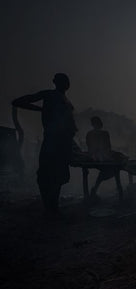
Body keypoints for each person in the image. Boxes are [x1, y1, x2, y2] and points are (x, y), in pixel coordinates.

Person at [12, 73, 77, 214]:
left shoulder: (67, 102)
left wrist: (73, 142)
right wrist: (40, 109)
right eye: (63, 81)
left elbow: (71, 125)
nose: (66, 83)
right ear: (56, 82)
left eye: (67, 81)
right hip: (52, 141)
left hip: (64, 143)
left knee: (59, 175)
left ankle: (53, 206)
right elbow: (18, 102)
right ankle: (49, 206)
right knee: (45, 175)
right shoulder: (48, 95)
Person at [86, 116, 125, 200]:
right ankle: (120, 192)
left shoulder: (89, 134)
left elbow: (89, 147)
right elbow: (108, 148)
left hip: (93, 157)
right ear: (100, 124)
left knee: (109, 171)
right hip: (103, 157)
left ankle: (95, 189)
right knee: (116, 169)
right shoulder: (104, 133)